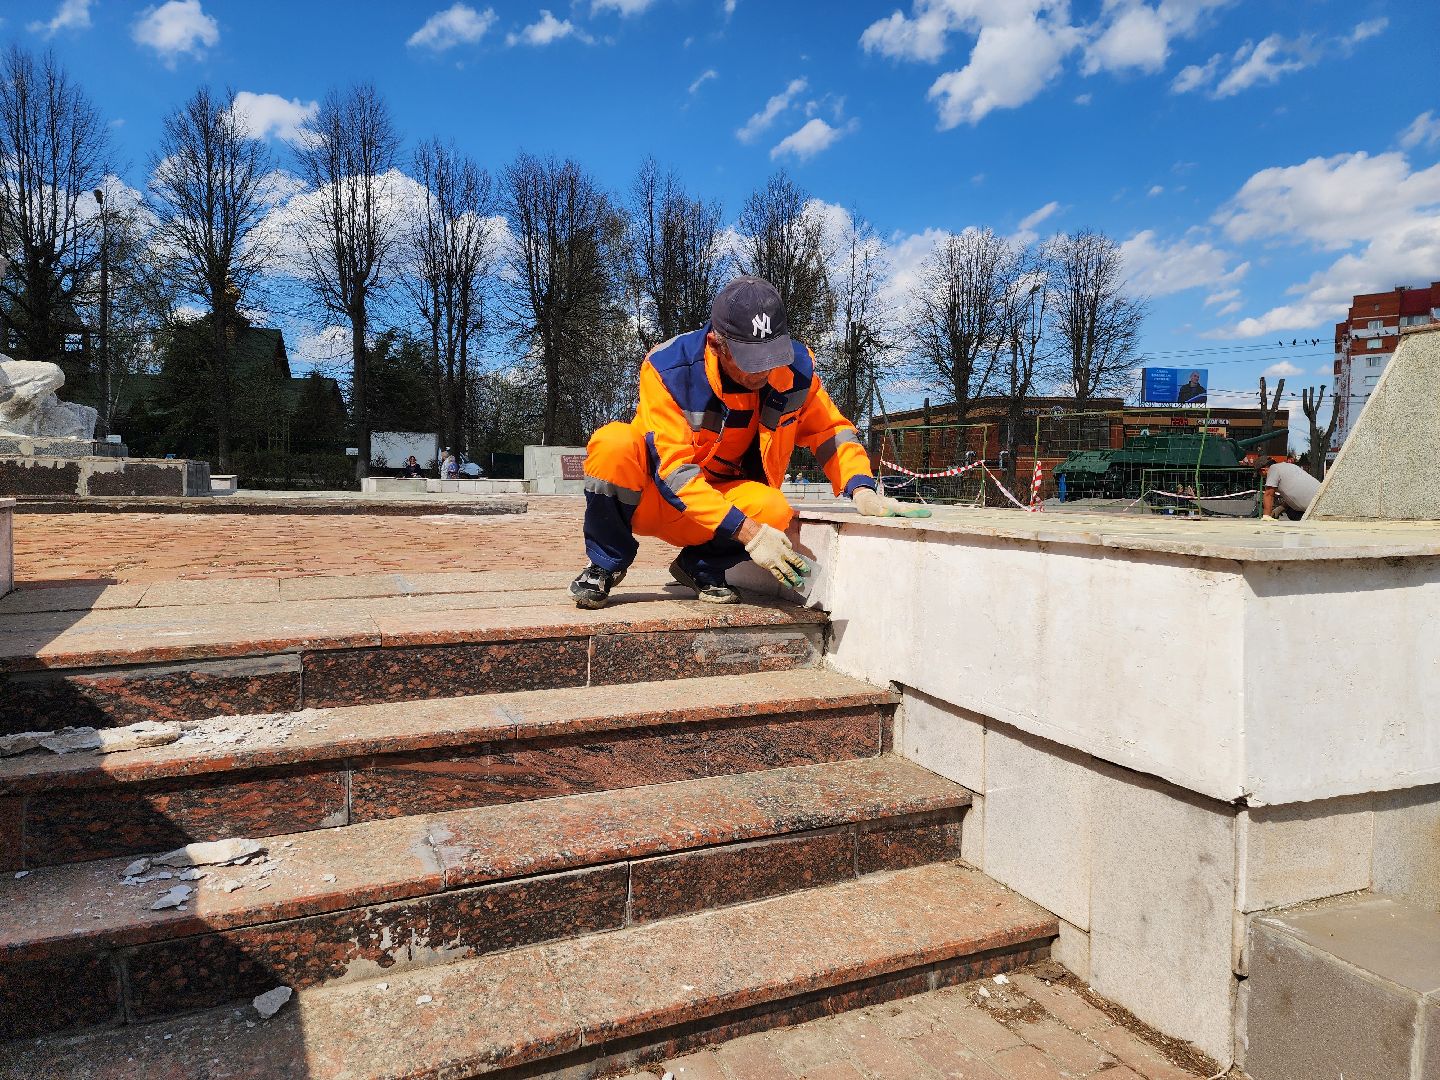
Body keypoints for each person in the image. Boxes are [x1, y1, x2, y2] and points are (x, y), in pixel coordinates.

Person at [571, 275, 930, 609]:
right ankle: (605, 563)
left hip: (720, 505)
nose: (762, 371)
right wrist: (751, 535)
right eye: (751, 360)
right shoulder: (669, 369)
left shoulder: (795, 372)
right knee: (613, 442)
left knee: (774, 508)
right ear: (717, 342)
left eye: (770, 356)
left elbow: (830, 431)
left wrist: (861, 489)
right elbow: (675, 474)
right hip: (655, 498)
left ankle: (699, 566)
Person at [1251, 456, 1320, 520]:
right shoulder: (1289, 466)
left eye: (1260, 475)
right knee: (1290, 508)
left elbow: (1269, 495)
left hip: (1313, 510)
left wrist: (1266, 516)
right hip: (1322, 500)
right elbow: (1295, 494)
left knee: (1291, 512)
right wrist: (1279, 509)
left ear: (1263, 470)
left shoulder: (1273, 469)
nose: (1263, 477)